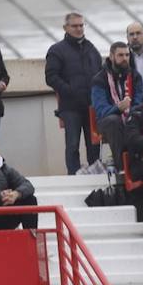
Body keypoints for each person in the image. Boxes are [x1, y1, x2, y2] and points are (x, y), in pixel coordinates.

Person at [45, 12, 102, 174]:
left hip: (91, 105)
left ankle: (94, 176)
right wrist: (69, 91)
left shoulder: (91, 48)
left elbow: (101, 73)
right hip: (70, 106)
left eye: (81, 25)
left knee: (94, 145)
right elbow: (51, 77)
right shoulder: (57, 50)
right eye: (74, 26)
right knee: (72, 145)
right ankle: (73, 176)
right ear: (65, 28)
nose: (78, 29)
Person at [92, 42, 143, 169]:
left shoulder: (134, 76)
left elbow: (139, 102)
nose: (125, 58)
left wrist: (130, 112)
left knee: (139, 118)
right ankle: (122, 167)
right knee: (114, 121)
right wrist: (118, 109)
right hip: (107, 121)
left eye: (127, 55)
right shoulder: (100, 79)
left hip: (130, 115)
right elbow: (100, 110)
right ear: (111, 56)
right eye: (120, 55)